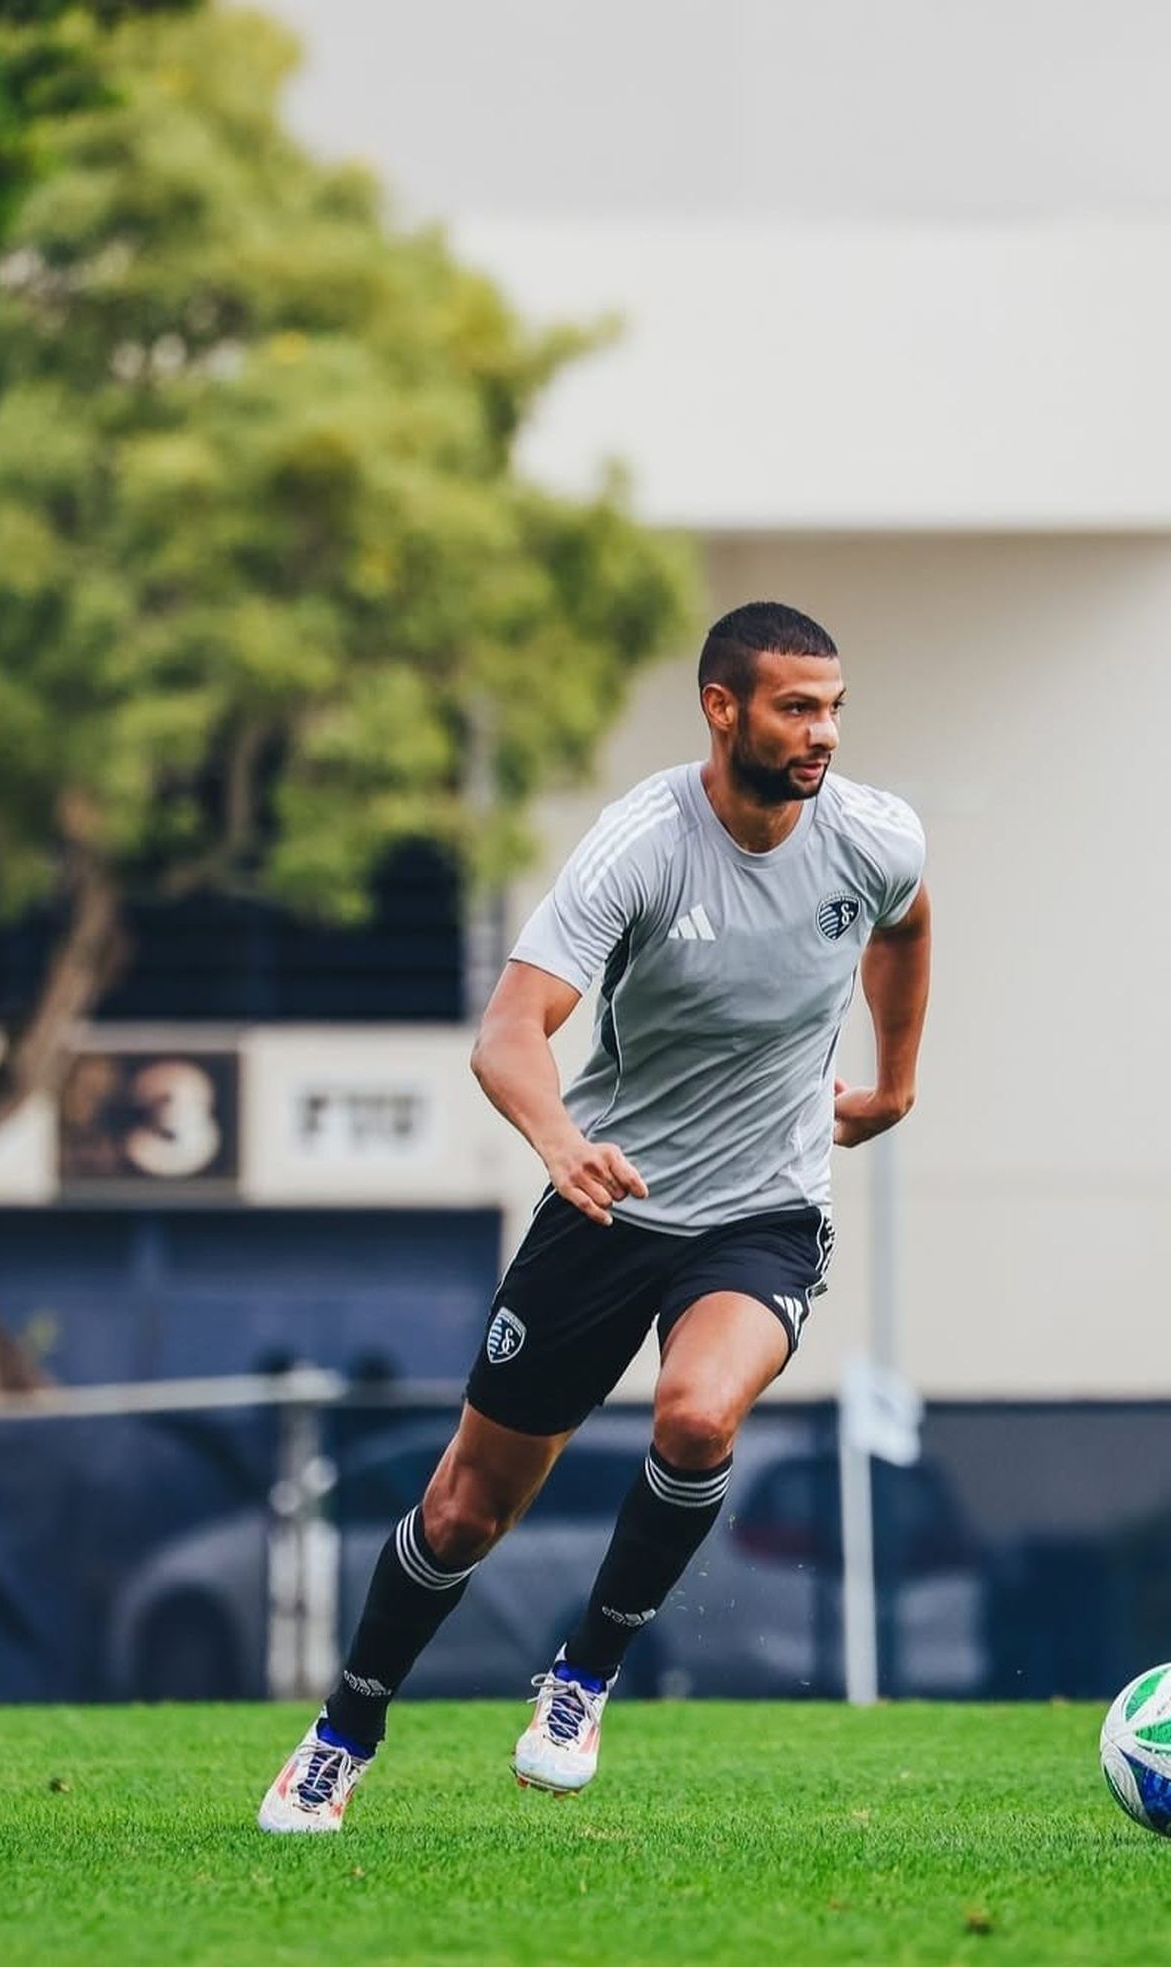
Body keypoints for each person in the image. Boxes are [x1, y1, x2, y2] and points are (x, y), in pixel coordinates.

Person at [259, 599, 932, 1830]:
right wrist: (563, 1143)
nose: (822, 731)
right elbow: (508, 1030)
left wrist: (893, 1081)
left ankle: (581, 1677)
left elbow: (904, 922)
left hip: (764, 1208)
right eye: (795, 706)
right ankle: (342, 1732)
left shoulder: (874, 836)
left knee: (696, 1411)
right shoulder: (640, 847)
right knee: (468, 1506)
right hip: (609, 1204)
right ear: (721, 708)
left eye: (832, 706)